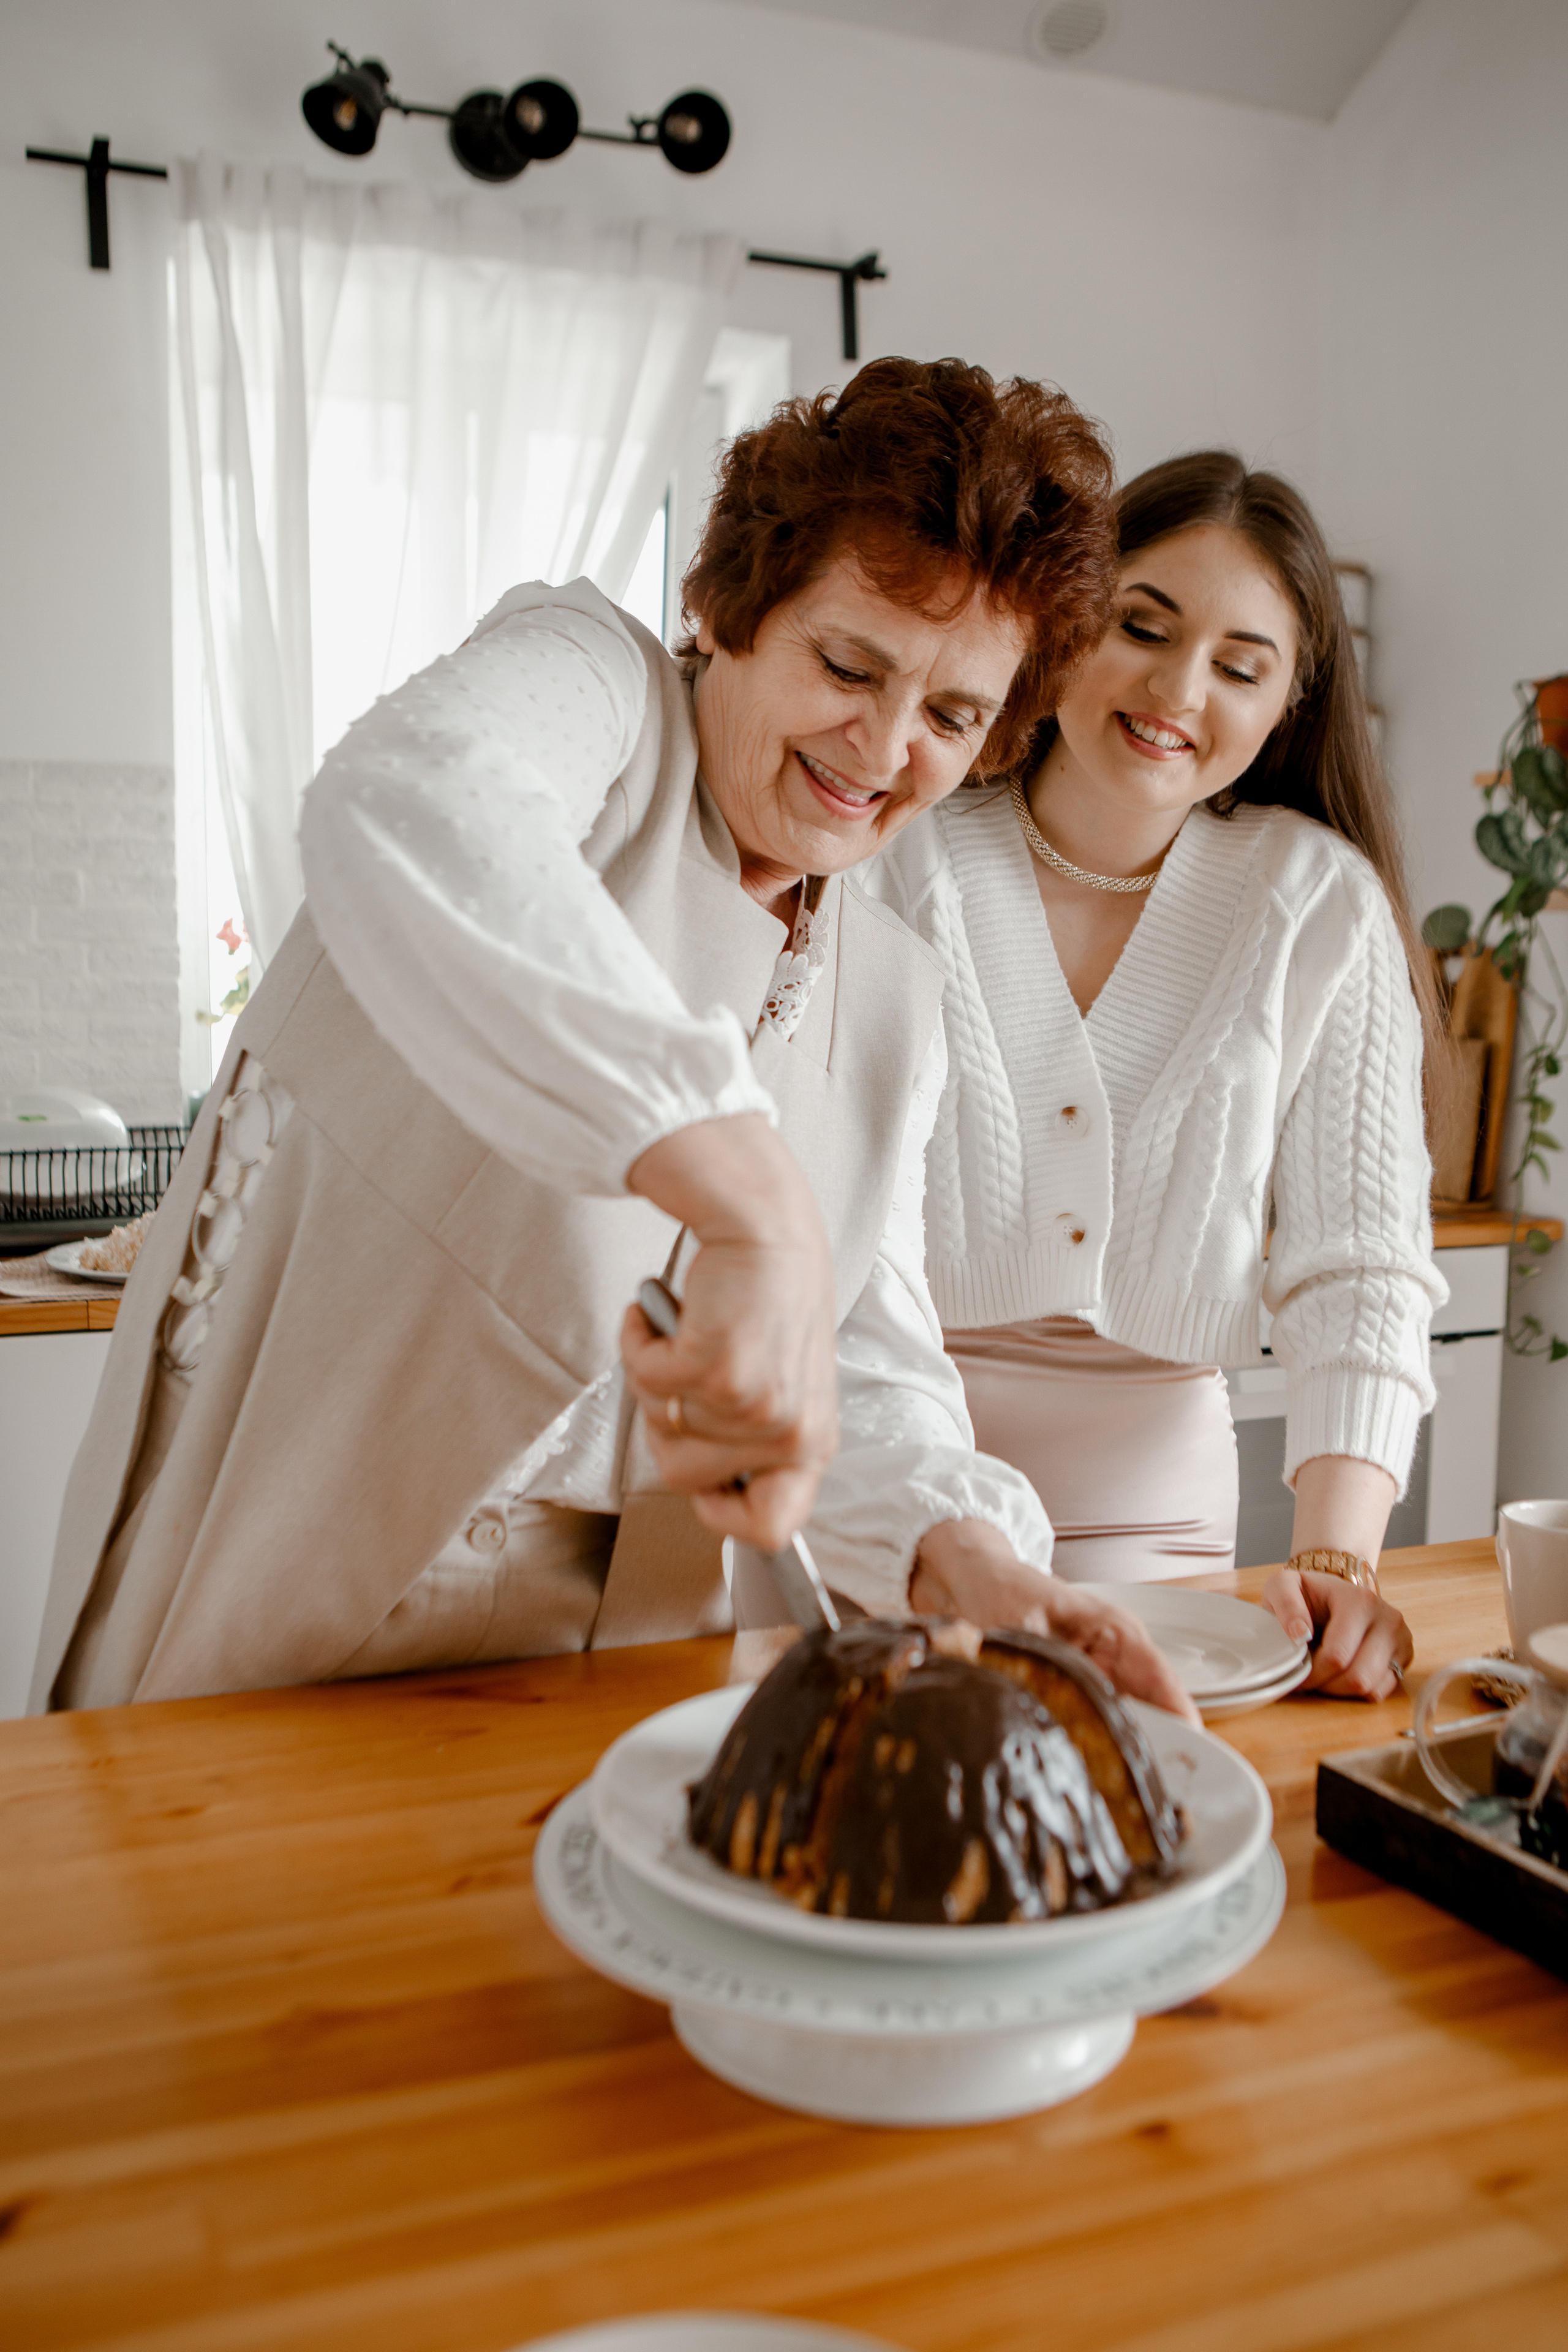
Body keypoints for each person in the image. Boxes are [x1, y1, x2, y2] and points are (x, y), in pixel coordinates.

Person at [31, 356, 1195, 1721]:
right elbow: (411, 803)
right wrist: (743, 1183)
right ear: (728, 607)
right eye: (845, 663)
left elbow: (863, 1361)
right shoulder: (589, 687)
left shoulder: (891, 994)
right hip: (285, 1619)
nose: (882, 746)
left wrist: (967, 1556)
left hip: (623, 1681)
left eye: (949, 714)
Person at [870, 451, 1445, 1700]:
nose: (1176, 690)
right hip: (885, 1479)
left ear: (1286, 706)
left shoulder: (1313, 904)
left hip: (1151, 1523)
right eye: (1141, 627)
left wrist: (1339, 1556)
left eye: (1239, 667)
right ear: (1066, 620)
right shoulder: (898, 845)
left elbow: (1361, 1263)